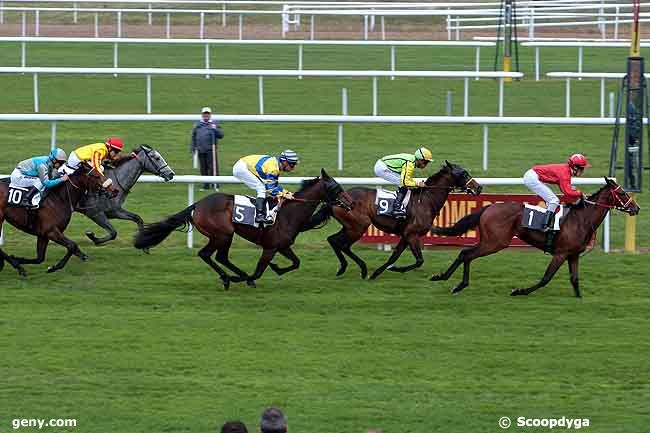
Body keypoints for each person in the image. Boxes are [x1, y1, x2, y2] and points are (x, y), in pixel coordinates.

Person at [523, 153, 589, 252]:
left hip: (533, 175)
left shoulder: (566, 171)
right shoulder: (565, 173)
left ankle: (547, 222)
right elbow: (567, 191)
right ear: (575, 168)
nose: (583, 171)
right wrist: (580, 193)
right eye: (582, 168)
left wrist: (575, 192)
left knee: (552, 201)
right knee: (554, 201)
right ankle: (544, 225)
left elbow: (566, 190)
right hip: (532, 178)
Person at [232, 150, 298, 224]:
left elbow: (274, 185)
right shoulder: (273, 169)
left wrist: (286, 192)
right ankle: (259, 215)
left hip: (245, 164)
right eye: (292, 165)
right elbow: (270, 189)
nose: (293, 168)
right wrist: (285, 195)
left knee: (263, 188)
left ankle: (263, 212)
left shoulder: (276, 165)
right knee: (261, 188)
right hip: (242, 168)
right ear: (285, 162)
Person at [373, 147, 434, 218]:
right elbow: (405, 182)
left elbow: (407, 179)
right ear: (420, 160)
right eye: (425, 162)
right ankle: (396, 208)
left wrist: (415, 183)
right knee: (403, 184)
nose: (426, 165)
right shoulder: (410, 163)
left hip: (384, 165)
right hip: (382, 168)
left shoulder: (412, 161)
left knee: (404, 184)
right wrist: (418, 184)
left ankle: (398, 206)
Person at [191, 107, 224, 191]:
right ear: (202, 115)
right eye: (204, 114)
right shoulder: (198, 125)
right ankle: (206, 185)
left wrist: (215, 129)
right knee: (203, 168)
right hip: (201, 149)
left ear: (210, 115)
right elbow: (194, 137)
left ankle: (216, 184)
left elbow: (221, 135)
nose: (206, 115)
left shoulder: (214, 124)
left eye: (207, 114)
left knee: (213, 167)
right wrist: (193, 147)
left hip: (211, 150)